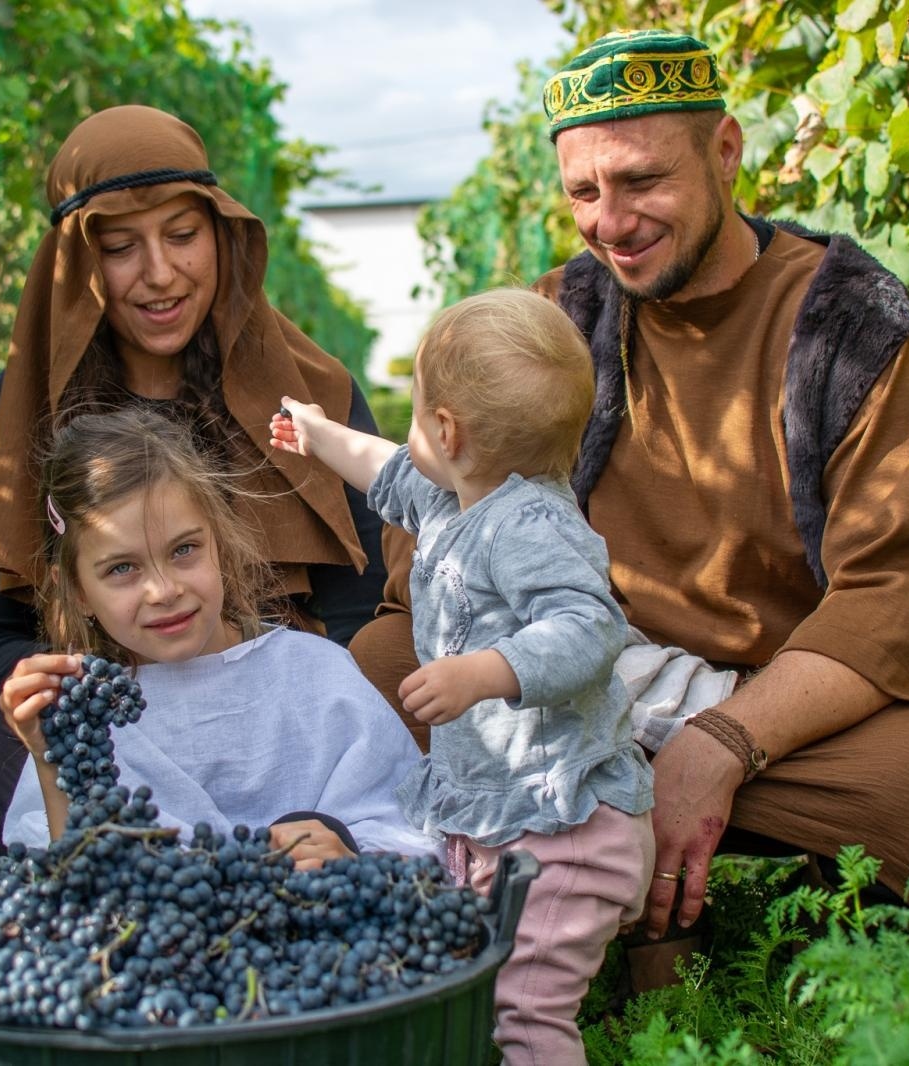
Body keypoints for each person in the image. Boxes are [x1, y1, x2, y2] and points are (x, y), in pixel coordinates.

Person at [349, 28, 909, 956]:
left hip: (786, 707)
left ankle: (588, 850)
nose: (611, 222)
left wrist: (726, 740)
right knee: (383, 666)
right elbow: (452, 500)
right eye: (584, 192)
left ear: (725, 151)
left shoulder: (847, 328)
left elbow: (903, 591)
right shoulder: (560, 315)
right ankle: (528, 878)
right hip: (580, 682)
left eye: (642, 181)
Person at [0, 105, 388, 852]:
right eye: (121, 248)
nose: (160, 273)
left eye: (182, 236)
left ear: (221, 235)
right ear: (76, 267)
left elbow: (362, 609)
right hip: (110, 730)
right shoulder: (18, 408)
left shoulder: (312, 393)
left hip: (284, 730)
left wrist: (254, 705)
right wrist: (82, 693)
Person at [272, 288, 656, 1066]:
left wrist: (485, 672)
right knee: (478, 985)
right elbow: (385, 469)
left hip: (565, 832)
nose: (408, 433)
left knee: (522, 1011)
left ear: (446, 431)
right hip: (506, 818)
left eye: (416, 412)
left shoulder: (532, 527)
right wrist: (318, 435)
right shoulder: (455, 494)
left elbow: (590, 627)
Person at [0, 407, 433, 865]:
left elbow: (413, 835)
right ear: (77, 591)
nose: (164, 591)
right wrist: (53, 760)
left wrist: (350, 855)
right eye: (122, 568)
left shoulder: (316, 676)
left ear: (219, 545)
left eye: (184, 549)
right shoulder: (88, 722)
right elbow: (72, 880)